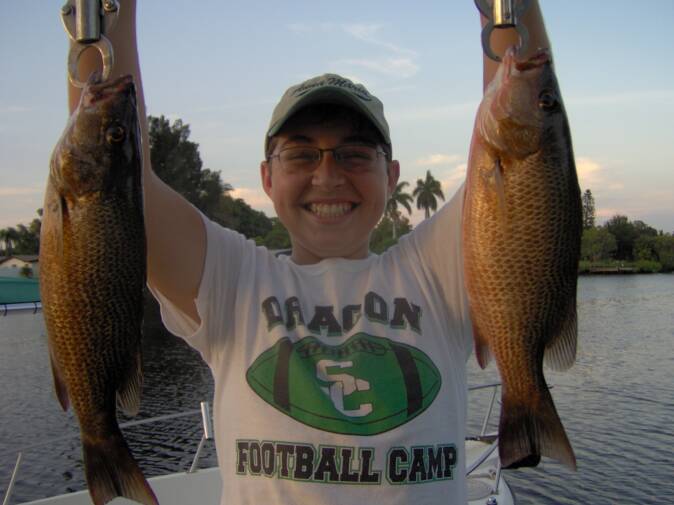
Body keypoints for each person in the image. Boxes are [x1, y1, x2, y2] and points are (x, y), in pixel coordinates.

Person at [68, 2, 551, 503]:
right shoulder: (230, 280)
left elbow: (522, 152)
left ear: (391, 176)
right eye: (301, 153)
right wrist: (108, 15)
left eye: (355, 153)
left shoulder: (436, 271)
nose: (328, 175)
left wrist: (510, 7)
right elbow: (108, 171)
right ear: (267, 178)